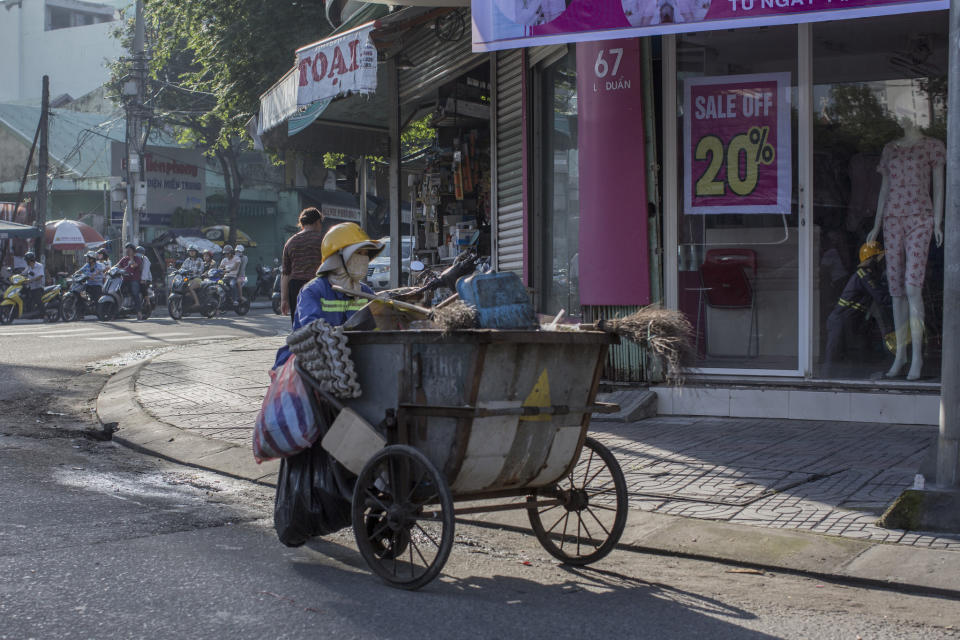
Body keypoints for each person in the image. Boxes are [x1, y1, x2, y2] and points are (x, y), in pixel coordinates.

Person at [275, 222, 383, 368]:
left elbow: (379, 329)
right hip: (314, 365)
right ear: (338, 257)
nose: (364, 259)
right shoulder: (313, 291)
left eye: (366, 254)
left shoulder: (366, 293)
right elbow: (312, 332)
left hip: (354, 362)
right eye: (358, 253)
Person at [823, 242, 893, 377]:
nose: (882, 261)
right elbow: (880, 297)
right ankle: (822, 389)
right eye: (879, 257)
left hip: (850, 322)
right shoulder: (864, 275)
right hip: (841, 322)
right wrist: (899, 299)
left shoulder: (868, 275)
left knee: (857, 354)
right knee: (832, 359)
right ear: (872, 259)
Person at [281, 207, 325, 323]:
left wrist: (284, 299)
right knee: (320, 324)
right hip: (319, 286)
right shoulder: (323, 240)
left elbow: (286, 274)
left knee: (299, 324)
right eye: (321, 223)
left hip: (296, 288)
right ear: (317, 222)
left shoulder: (290, 242)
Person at [115, 242, 144, 320]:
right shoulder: (124, 259)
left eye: (129, 250)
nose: (127, 251)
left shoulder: (137, 259)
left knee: (135, 293)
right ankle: (119, 309)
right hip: (124, 279)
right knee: (118, 292)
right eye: (126, 250)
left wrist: (131, 257)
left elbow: (133, 265)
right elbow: (117, 266)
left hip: (134, 279)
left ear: (133, 251)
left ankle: (139, 312)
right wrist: (111, 269)